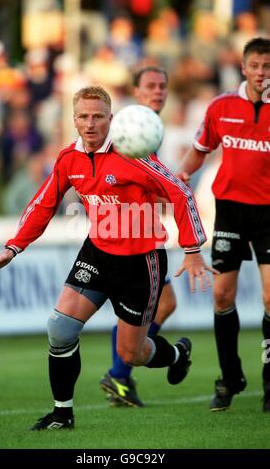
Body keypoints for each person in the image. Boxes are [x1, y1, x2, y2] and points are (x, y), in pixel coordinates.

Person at [0, 86, 215, 431]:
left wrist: (192, 251)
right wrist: (14, 247)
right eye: (83, 116)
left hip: (140, 261)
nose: (90, 124)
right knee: (60, 328)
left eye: (98, 116)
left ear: (110, 119)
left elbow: (180, 194)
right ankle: (62, 413)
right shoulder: (68, 158)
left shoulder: (134, 155)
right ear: (73, 119)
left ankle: (177, 354)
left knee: (132, 354)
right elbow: (43, 203)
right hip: (97, 253)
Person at [176, 37, 270, 413]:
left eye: (268, 66)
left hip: (269, 213)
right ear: (244, 69)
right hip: (230, 210)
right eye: (257, 66)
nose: (263, 73)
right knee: (222, 297)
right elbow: (200, 149)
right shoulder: (221, 107)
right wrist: (180, 174)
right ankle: (230, 378)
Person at [99, 66, 178, 408]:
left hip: (146, 234)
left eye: (163, 86)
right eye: (150, 86)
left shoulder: (150, 129)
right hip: (128, 238)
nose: (158, 91)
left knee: (165, 303)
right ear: (136, 91)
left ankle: (121, 373)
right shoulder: (131, 130)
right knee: (140, 311)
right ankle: (119, 374)